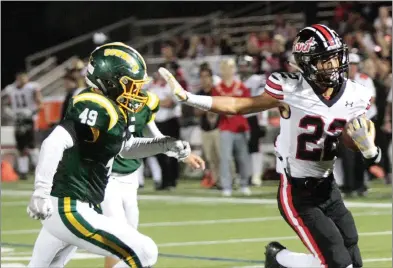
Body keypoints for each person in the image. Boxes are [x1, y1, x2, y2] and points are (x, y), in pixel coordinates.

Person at [159, 24, 384, 268]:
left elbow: (350, 141)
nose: (333, 65)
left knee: (352, 252)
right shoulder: (290, 88)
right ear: (307, 63)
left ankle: (278, 260)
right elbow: (239, 105)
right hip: (298, 191)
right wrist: (189, 98)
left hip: (328, 187)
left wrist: (368, 148)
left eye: (335, 57)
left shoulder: (355, 94)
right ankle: (280, 259)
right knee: (337, 261)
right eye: (324, 60)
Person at [27, 42, 192, 268]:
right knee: (145, 251)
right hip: (69, 206)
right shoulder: (95, 105)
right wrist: (40, 191)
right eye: (131, 86)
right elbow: (53, 142)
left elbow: (126, 147)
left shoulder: (112, 107)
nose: (137, 92)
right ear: (110, 82)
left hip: (74, 205)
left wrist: (164, 145)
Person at [101, 88, 204, 268]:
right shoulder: (100, 101)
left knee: (128, 237)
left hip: (130, 176)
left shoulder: (145, 103)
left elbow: (156, 137)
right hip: (105, 176)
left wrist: (182, 155)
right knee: (119, 235)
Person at [213, 58, 252, 197]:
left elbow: (249, 105)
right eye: (225, 67)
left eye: (230, 67)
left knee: (243, 157)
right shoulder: (217, 89)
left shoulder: (241, 87)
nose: (227, 70)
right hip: (225, 127)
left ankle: (244, 184)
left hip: (241, 126)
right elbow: (215, 106)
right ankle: (226, 185)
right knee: (225, 158)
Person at [2, 72, 42, 180]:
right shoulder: (11, 89)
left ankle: (40, 169)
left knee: (32, 145)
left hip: (29, 119)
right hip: (18, 119)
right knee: (20, 147)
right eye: (20, 78)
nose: (22, 80)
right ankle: (23, 172)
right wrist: (10, 112)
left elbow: (40, 102)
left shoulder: (32, 87)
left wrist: (32, 112)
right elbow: (5, 102)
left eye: (24, 78)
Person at [147, 72, 182, 190]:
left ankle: (172, 180)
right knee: (159, 154)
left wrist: (156, 102)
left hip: (170, 121)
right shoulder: (152, 87)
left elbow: (169, 103)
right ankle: (164, 179)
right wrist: (160, 102)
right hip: (157, 123)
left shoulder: (171, 87)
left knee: (173, 152)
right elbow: (147, 103)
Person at [196, 67, 220, 188]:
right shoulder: (200, 93)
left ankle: (229, 179)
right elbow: (196, 111)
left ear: (211, 77)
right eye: (202, 77)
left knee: (222, 155)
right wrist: (209, 108)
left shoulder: (216, 91)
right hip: (205, 129)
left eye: (206, 76)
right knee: (211, 158)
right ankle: (216, 180)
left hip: (218, 127)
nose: (204, 79)